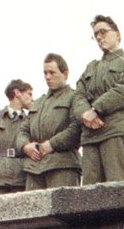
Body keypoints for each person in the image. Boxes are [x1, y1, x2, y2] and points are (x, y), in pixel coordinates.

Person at [74, 15, 124, 184]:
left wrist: (96, 109)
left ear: (117, 35)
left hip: (117, 131)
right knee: (89, 194)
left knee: (117, 189)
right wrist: (85, 113)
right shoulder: (91, 67)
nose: (99, 37)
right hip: (91, 135)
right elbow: (78, 95)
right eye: (95, 35)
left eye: (103, 32)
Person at [20, 55, 85, 190]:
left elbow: (76, 127)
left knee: (64, 209)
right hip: (34, 168)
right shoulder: (38, 103)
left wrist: (52, 144)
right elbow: (23, 130)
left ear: (65, 74)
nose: (48, 77)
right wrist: (25, 146)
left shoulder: (75, 97)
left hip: (62, 165)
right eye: (45, 73)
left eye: (52, 73)